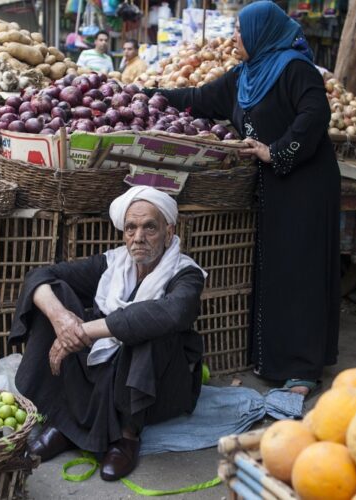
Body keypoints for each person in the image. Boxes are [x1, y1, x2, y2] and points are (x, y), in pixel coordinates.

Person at [146, 1, 340, 397]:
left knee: (299, 270)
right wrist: (146, 95)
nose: (235, 36)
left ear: (261, 32)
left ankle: (303, 368)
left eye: (240, 30)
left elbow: (315, 115)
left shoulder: (295, 68)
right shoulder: (244, 76)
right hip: (272, 185)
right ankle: (272, 360)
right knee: (275, 268)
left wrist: (276, 151)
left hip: (306, 182)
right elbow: (199, 97)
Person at [10, 186, 206, 481]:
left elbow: (170, 313)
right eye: (131, 228)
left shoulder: (186, 273)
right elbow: (39, 276)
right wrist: (62, 319)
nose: (138, 237)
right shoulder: (112, 264)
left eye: (149, 227)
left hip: (156, 384)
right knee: (54, 292)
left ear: (168, 232)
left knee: (149, 325)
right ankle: (65, 422)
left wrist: (85, 331)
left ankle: (128, 435)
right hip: (106, 365)